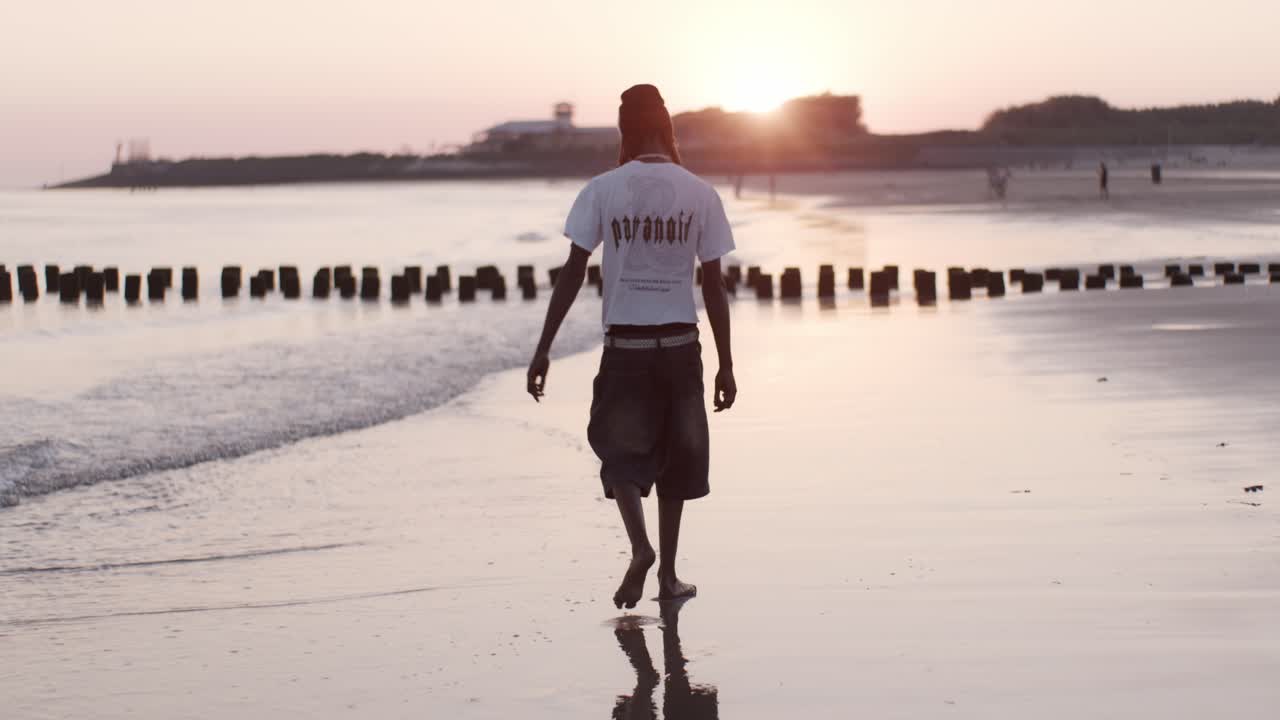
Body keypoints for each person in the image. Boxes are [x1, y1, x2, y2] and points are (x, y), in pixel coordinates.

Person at [526, 83, 737, 609]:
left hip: (627, 346)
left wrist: (543, 348)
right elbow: (713, 286)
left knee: (620, 455)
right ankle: (667, 575)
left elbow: (573, 271)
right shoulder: (699, 192)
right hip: (681, 344)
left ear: (625, 128)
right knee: (674, 465)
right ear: (667, 127)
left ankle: (640, 549)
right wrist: (727, 364)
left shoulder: (603, 189)